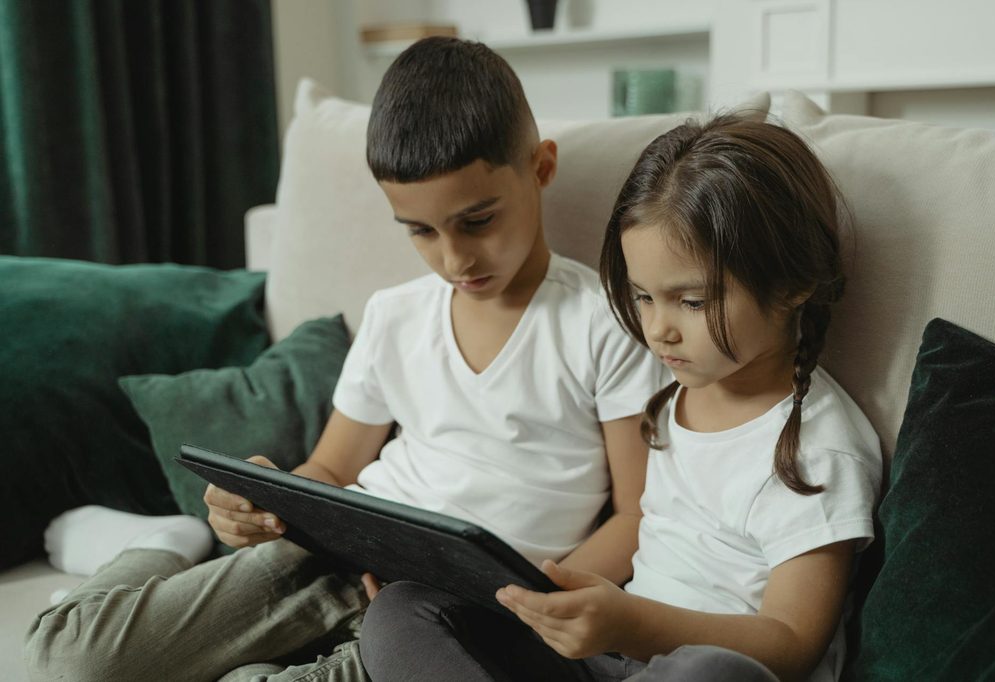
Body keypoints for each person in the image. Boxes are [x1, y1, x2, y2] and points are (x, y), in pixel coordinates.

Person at [24, 37, 663, 682]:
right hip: (330, 561)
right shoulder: (394, 315)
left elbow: (638, 514)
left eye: (478, 220)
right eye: (420, 231)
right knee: (66, 662)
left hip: (459, 615)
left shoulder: (603, 322)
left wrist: (537, 606)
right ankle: (161, 544)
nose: (454, 259)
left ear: (541, 168)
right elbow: (331, 466)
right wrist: (268, 504)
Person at [359, 115, 884, 682]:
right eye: (642, 297)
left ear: (791, 281)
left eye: (690, 301)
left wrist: (631, 621)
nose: (659, 330)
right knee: (406, 609)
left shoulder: (820, 449)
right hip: (613, 658)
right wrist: (547, 602)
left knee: (711, 673)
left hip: (697, 668)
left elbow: (792, 642)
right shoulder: (676, 390)